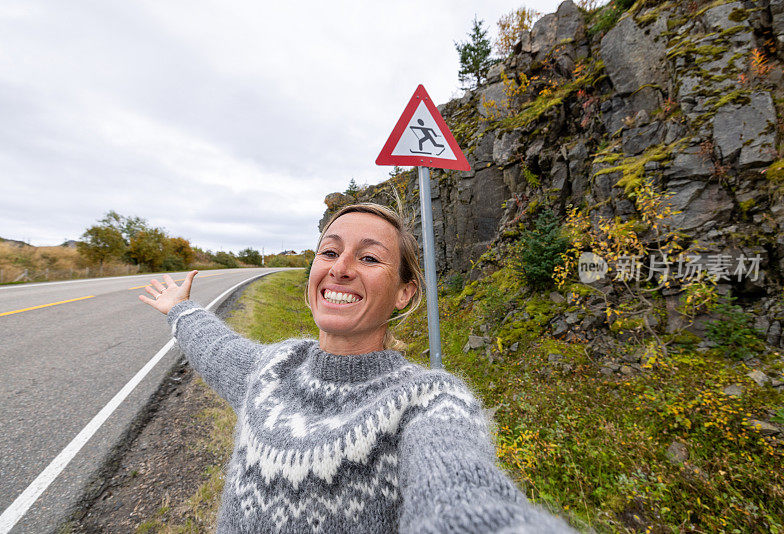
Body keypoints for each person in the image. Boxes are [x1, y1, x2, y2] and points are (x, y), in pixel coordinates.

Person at [140, 202, 576, 533]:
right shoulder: (273, 367)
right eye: (329, 252)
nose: (341, 269)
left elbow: (459, 490)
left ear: (404, 293)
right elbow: (216, 348)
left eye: (369, 258)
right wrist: (181, 312)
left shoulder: (427, 402)